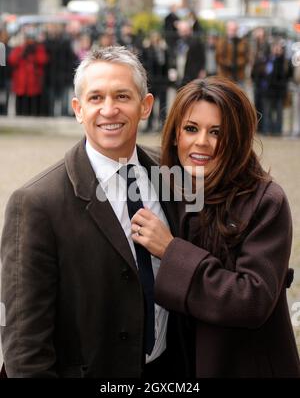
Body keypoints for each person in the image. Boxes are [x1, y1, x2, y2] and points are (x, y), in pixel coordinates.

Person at [0, 46, 185, 378]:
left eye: (122, 96)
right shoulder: (35, 203)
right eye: (96, 98)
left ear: (145, 106)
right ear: (78, 109)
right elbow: (25, 344)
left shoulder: (171, 173)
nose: (109, 110)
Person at [130, 76, 300, 378]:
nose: (202, 142)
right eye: (191, 129)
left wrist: (171, 252)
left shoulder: (266, 202)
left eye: (217, 132)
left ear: (236, 138)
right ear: (174, 136)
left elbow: (252, 300)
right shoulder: (166, 189)